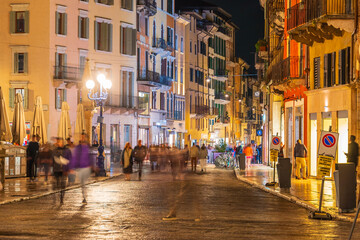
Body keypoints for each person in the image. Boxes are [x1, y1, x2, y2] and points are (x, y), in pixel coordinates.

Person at [70, 133, 91, 204]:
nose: (83, 138)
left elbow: (90, 157)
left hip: (86, 168)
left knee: (84, 183)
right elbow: (74, 158)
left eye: (84, 137)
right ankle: (84, 196)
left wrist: (91, 165)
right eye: (82, 137)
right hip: (80, 168)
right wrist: (72, 167)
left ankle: (84, 196)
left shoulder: (88, 147)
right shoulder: (78, 148)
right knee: (82, 183)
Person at [52, 137, 72, 204]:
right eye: (58, 142)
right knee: (57, 184)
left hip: (64, 169)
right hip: (56, 169)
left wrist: (69, 168)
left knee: (63, 184)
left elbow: (70, 159)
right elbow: (52, 159)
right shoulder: (54, 150)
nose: (58, 143)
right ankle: (57, 196)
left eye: (60, 142)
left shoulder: (67, 150)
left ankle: (61, 198)